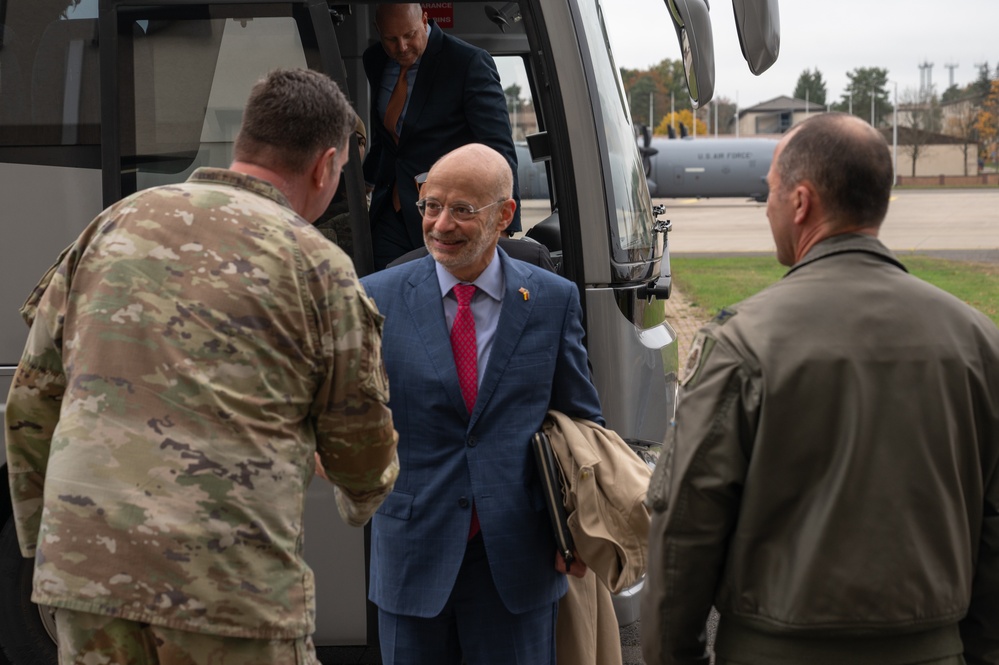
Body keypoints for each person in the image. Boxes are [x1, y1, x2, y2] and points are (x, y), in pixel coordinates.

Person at [4, 68, 399, 664]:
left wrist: (48, 543)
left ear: (246, 142)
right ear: (324, 166)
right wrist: (360, 497)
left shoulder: (111, 225)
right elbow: (360, 446)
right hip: (228, 588)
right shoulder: (317, 265)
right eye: (341, 172)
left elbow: (31, 400)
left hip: (88, 577)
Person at [640, 112, 999, 665]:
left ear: (801, 202)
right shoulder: (978, 341)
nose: (768, 207)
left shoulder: (742, 343)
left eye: (772, 193)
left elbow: (685, 524)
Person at [361, 143, 602, 664]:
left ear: (504, 216)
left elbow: (582, 424)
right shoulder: (374, 298)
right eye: (431, 206)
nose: (441, 224)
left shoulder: (552, 301)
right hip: (412, 556)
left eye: (463, 210)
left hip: (519, 563)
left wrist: (582, 529)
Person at [363, 3, 521, 269]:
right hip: (391, 211)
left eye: (410, 35)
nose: (401, 47)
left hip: (448, 214)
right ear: (378, 31)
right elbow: (387, 140)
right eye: (391, 38)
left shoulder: (467, 62)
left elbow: (498, 150)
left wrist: (501, 226)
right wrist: (361, 183)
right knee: (386, 297)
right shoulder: (375, 60)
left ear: (425, 19)